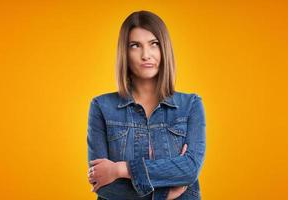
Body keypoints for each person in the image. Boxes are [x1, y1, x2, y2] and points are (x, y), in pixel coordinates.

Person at [87, 10, 206, 200]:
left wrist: (120, 169)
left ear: (164, 48)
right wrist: (166, 193)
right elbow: (101, 184)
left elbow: (190, 170)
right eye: (135, 45)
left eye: (154, 44)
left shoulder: (190, 105)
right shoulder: (101, 107)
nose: (145, 55)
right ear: (124, 53)